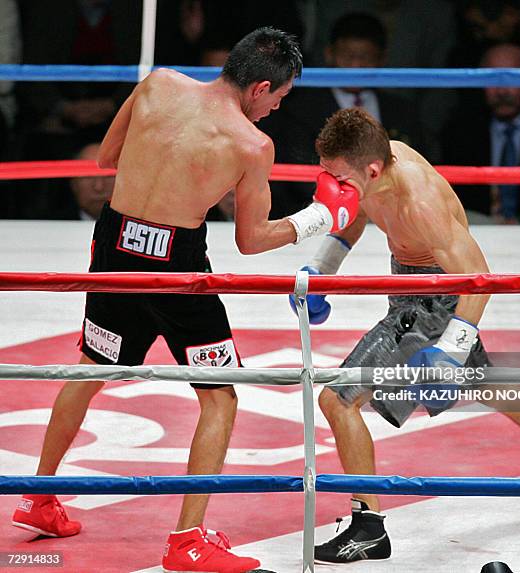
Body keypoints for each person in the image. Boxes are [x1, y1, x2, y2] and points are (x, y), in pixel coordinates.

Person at [11, 28, 359, 573]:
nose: (274, 109)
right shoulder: (250, 144)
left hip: (113, 246)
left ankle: (38, 496)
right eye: (279, 97)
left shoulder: (156, 85)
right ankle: (187, 540)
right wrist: (322, 218)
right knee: (221, 396)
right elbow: (251, 240)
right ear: (259, 86)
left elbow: (107, 159)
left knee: (89, 367)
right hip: (176, 271)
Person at [290, 108, 520, 564]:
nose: (330, 183)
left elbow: (478, 277)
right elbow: (355, 209)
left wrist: (450, 349)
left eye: (338, 176)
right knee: (489, 383)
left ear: (373, 169)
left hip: (438, 299)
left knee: (337, 400)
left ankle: (367, 527)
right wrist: (323, 268)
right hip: (410, 283)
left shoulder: (420, 202)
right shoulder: (372, 170)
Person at [260, 12, 423, 218]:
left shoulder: (401, 110)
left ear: (382, 58)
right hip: (325, 212)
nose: (355, 66)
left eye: (365, 58)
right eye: (348, 57)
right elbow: (300, 176)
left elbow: (420, 164)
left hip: (396, 212)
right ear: (330, 54)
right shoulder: (302, 109)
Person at [442, 43, 520, 224]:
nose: (501, 91)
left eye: (511, 79)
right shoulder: (461, 129)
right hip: (477, 226)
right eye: (493, 79)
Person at [69, 142, 114, 220]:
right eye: (88, 176)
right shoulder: (50, 225)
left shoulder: (137, 227)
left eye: (109, 175)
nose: (99, 187)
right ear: (73, 183)